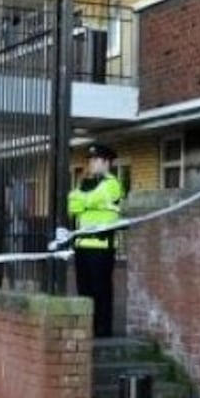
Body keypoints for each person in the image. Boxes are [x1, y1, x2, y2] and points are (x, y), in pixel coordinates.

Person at [68, 142, 124, 338]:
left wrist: (84, 199)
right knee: (84, 290)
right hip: (82, 245)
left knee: (101, 290)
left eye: (95, 160)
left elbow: (91, 199)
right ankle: (87, 328)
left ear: (106, 162)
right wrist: (84, 199)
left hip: (102, 246)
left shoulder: (112, 184)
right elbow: (72, 205)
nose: (91, 163)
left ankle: (103, 330)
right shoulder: (84, 184)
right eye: (90, 160)